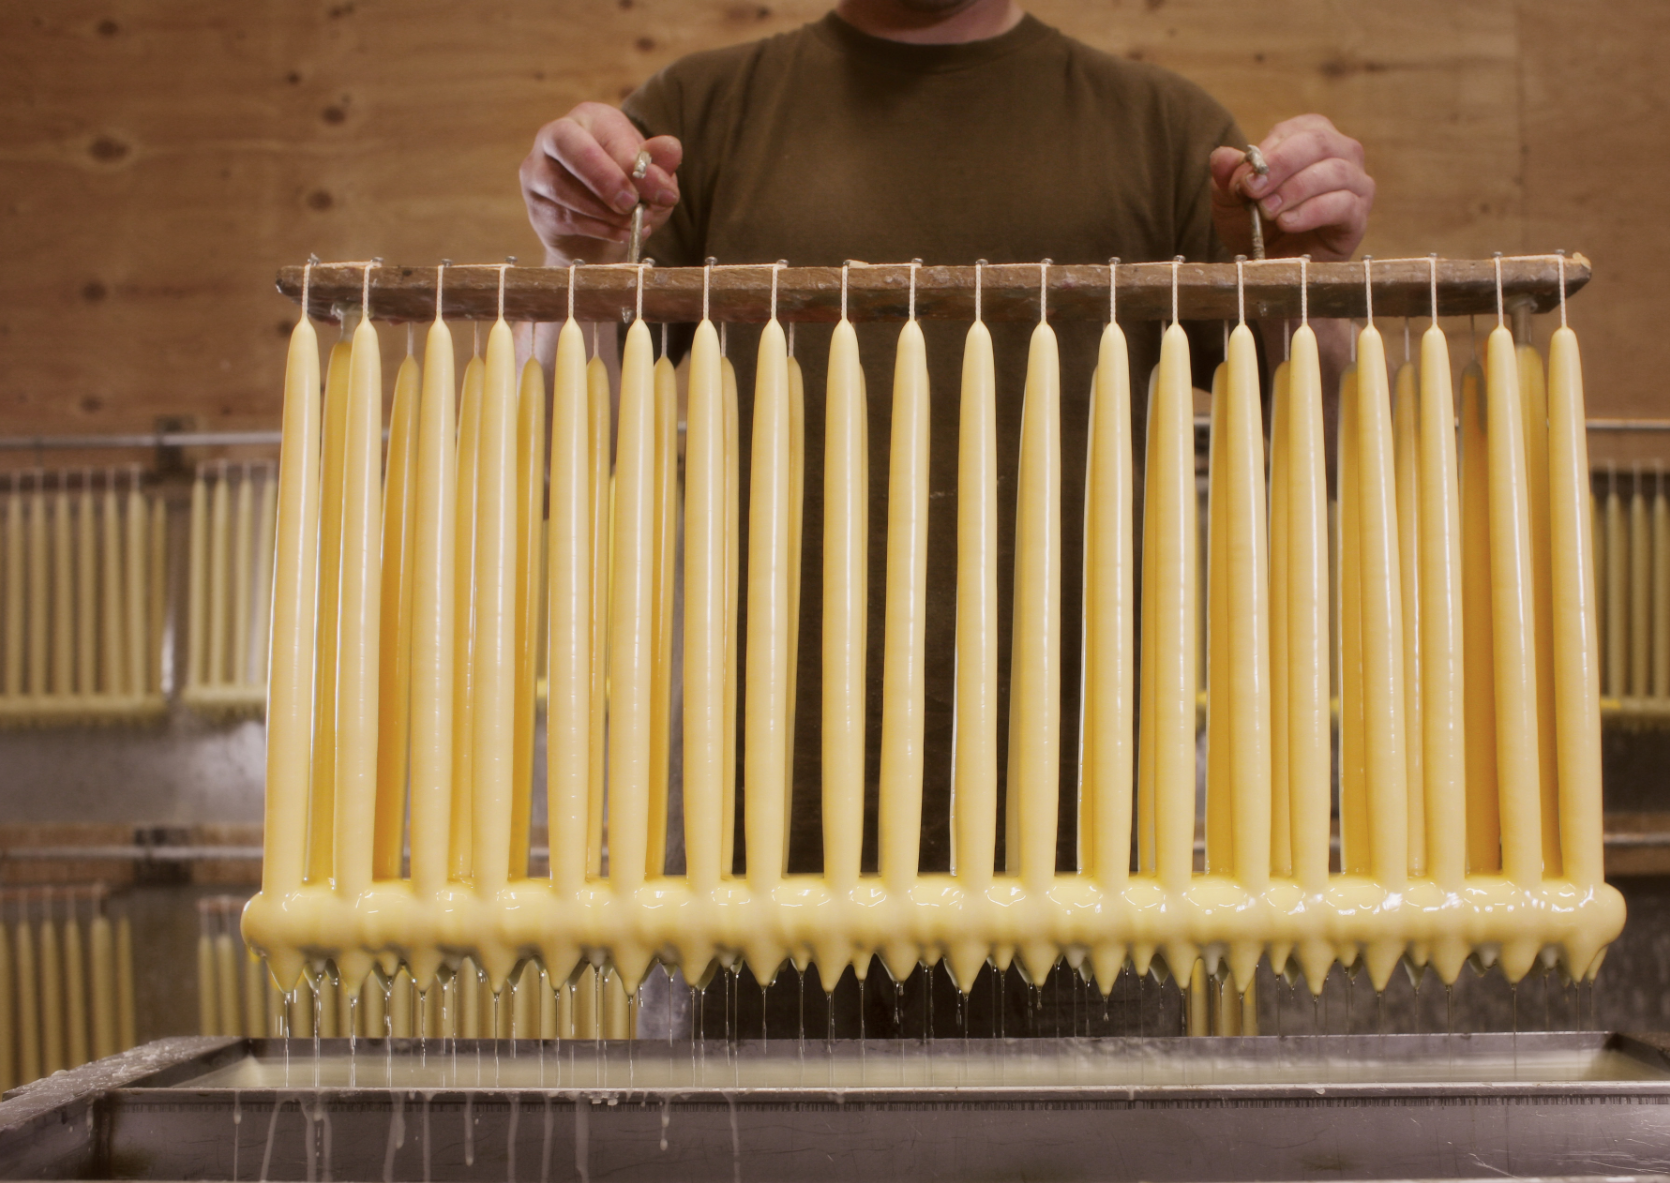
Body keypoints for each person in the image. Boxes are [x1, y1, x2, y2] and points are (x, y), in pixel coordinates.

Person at [518, 0, 1373, 877]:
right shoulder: (698, 116)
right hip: (757, 845)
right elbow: (559, 439)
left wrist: (1306, 276)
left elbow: (1334, 441)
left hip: (1088, 858)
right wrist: (574, 259)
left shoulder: (1164, 133)